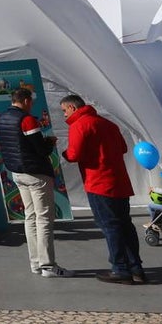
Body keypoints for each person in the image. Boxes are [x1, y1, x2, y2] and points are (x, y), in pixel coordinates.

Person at [60, 94, 146, 284]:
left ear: (72, 108)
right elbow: (123, 148)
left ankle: (120, 268)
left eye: (64, 111)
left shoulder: (80, 125)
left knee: (110, 225)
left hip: (98, 181)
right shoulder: (108, 123)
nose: (64, 115)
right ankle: (135, 267)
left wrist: (65, 153)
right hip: (118, 181)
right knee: (124, 224)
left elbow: (74, 154)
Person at [0, 88, 68, 277]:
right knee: (44, 219)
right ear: (26, 101)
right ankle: (48, 265)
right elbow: (40, 149)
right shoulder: (27, 119)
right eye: (31, 101)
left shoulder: (2, 119)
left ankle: (36, 263)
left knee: (30, 217)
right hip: (35, 172)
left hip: (17, 172)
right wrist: (49, 142)